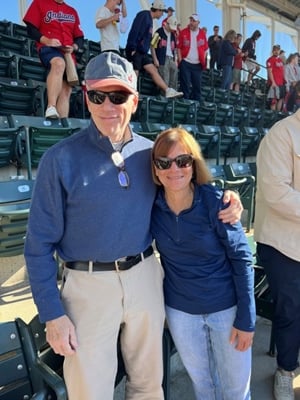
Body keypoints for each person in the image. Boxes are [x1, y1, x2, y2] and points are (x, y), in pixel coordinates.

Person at [24, 51, 243, 400]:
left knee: (148, 384)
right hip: (86, 286)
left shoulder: (151, 155)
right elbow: (37, 246)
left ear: (135, 100)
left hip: (144, 275)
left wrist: (229, 199)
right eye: (98, 95)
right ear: (86, 98)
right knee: (90, 392)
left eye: (119, 95)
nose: (108, 105)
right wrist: (52, 314)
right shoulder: (59, 159)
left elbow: (189, 185)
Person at [151, 127, 256, 400]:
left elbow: (242, 259)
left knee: (236, 390)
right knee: (203, 384)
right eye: (164, 162)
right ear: (156, 168)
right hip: (181, 312)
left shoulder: (215, 202)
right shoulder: (151, 206)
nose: (174, 169)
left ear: (194, 164)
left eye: (183, 161)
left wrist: (247, 319)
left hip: (226, 310)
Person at [254, 110, 300, 400]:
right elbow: (276, 193)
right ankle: (285, 370)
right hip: (282, 244)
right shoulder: (281, 134)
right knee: (291, 311)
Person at [23, 0, 84, 119]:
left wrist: (74, 47)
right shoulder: (39, 3)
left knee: (66, 89)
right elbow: (31, 29)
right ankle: (51, 107)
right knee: (58, 64)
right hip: (49, 48)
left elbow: (79, 37)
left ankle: (62, 123)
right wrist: (47, 40)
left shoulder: (72, 11)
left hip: (68, 54)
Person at [125, 0, 183, 99]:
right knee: (135, 72)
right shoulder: (143, 15)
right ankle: (130, 94)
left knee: (153, 71)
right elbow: (135, 30)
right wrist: (132, 48)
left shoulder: (151, 20)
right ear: (158, 10)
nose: (162, 15)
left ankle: (168, 90)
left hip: (143, 52)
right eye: (162, 12)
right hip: (136, 50)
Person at [176, 14, 208, 101]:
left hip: (197, 64)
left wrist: (203, 59)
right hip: (186, 62)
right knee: (185, 85)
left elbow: (205, 48)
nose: (191, 22)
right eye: (191, 20)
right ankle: (185, 104)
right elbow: (178, 47)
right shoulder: (183, 32)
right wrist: (180, 60)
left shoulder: (202, 34)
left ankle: (196, 107)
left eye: (194, 21)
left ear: (198, 22)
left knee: (197, 86)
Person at [150, 15, 179, 92]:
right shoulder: (159, 32)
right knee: (165, 81)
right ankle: (164, 100)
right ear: (167, 24)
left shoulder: (173, 35)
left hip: (171, 59)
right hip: (162, 59)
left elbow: (175, 48)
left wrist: (175, 60)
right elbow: (152, 46)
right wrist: (155, 59)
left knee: (174, 81)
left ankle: (173, 100)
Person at [266, 45, 285, 111]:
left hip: (281, 83)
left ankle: (277, 114)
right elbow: (270, 72)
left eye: (278, 50)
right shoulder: (270, 60)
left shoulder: (280, 60)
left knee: (280, 98)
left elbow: (282, 71)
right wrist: (273, 82)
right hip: (274, 84)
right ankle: (273, 115)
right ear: (273, 51)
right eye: (275, 50)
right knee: (273, 101)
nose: (276, 51)